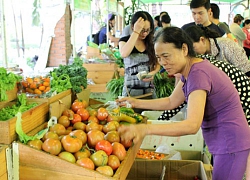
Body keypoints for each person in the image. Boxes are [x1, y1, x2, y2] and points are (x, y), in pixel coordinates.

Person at [117, 27, 250, 180]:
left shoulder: (198, 74)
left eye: (166, 56)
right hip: (226, 140)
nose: (163, 63)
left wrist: (145, 129)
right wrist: (135, 102)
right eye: (159, 58)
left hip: (231, 141)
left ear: (184, 49)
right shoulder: (192, 69)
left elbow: (192, 125)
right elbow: (171, 101)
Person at [119, 11, 160, 97]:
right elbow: (124, 53)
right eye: (142, 30)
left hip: (149, 91)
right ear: (133, 26)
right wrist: (136, 32)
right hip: (130, 91)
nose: (144, 33)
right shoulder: (125, 40)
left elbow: (157, 64)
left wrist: (152, 73)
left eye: (147, 30)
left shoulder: (151, 42)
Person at [185, 25, 250, 77]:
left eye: (193, 47)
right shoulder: (200, 55)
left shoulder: (227, 45)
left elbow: (246, 70)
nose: (193, 52)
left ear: (202, 40)